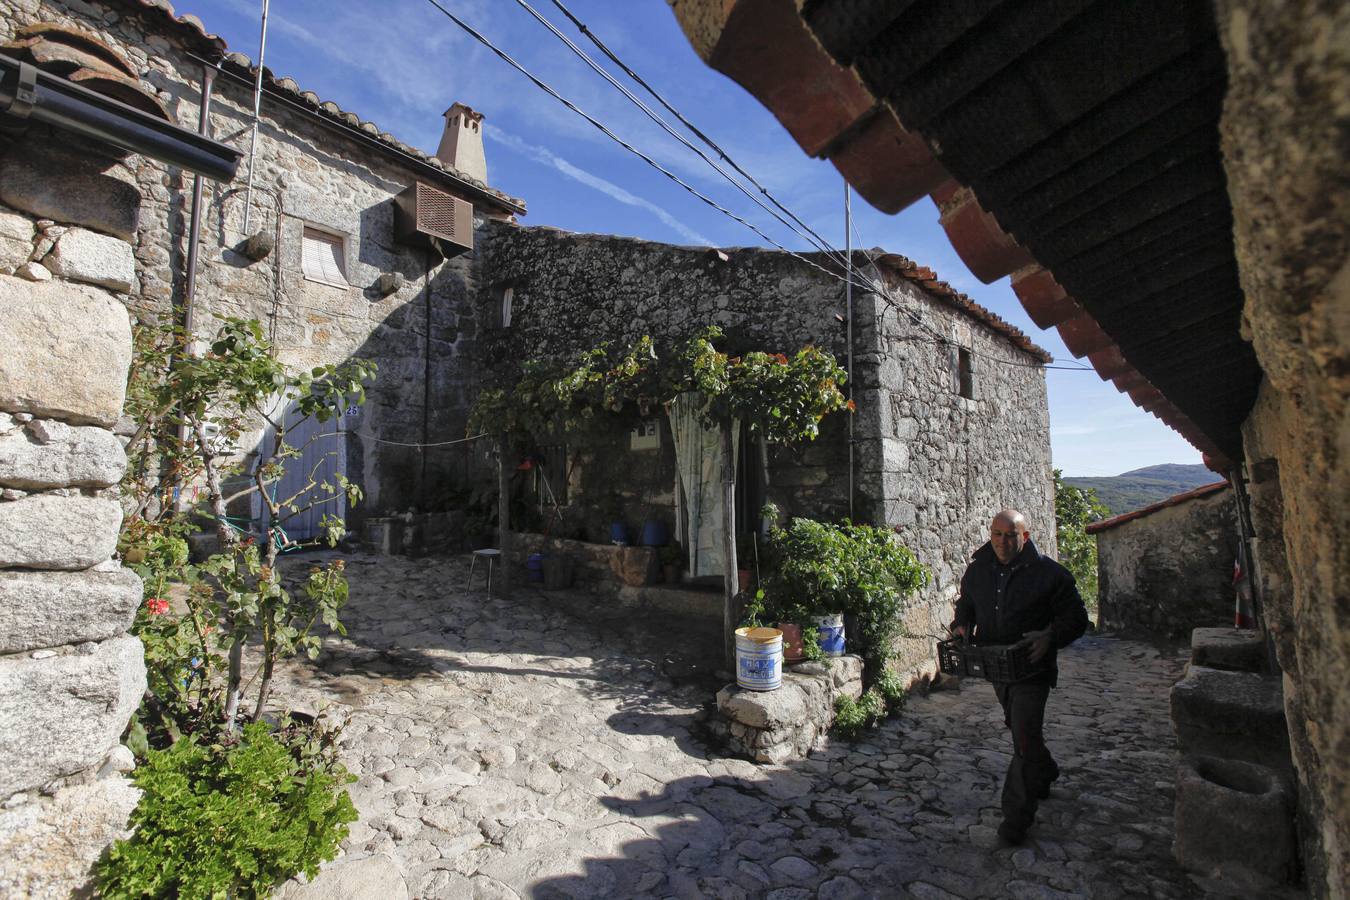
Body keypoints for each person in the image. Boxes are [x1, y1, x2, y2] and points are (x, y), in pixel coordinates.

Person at [951, 508, 1089, 846]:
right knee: (1019, 729)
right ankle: (1045, 770)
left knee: (1024, 733)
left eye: (1010, 535)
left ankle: (1015, 820)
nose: (1002, 542)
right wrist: (961, 626)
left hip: (1032, 668)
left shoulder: (1050, 575)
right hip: (996, 666)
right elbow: (966, 605)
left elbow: (1077, 618)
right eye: (997, 534)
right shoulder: (978, 570)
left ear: (1024, 536)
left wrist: (1049, 637)